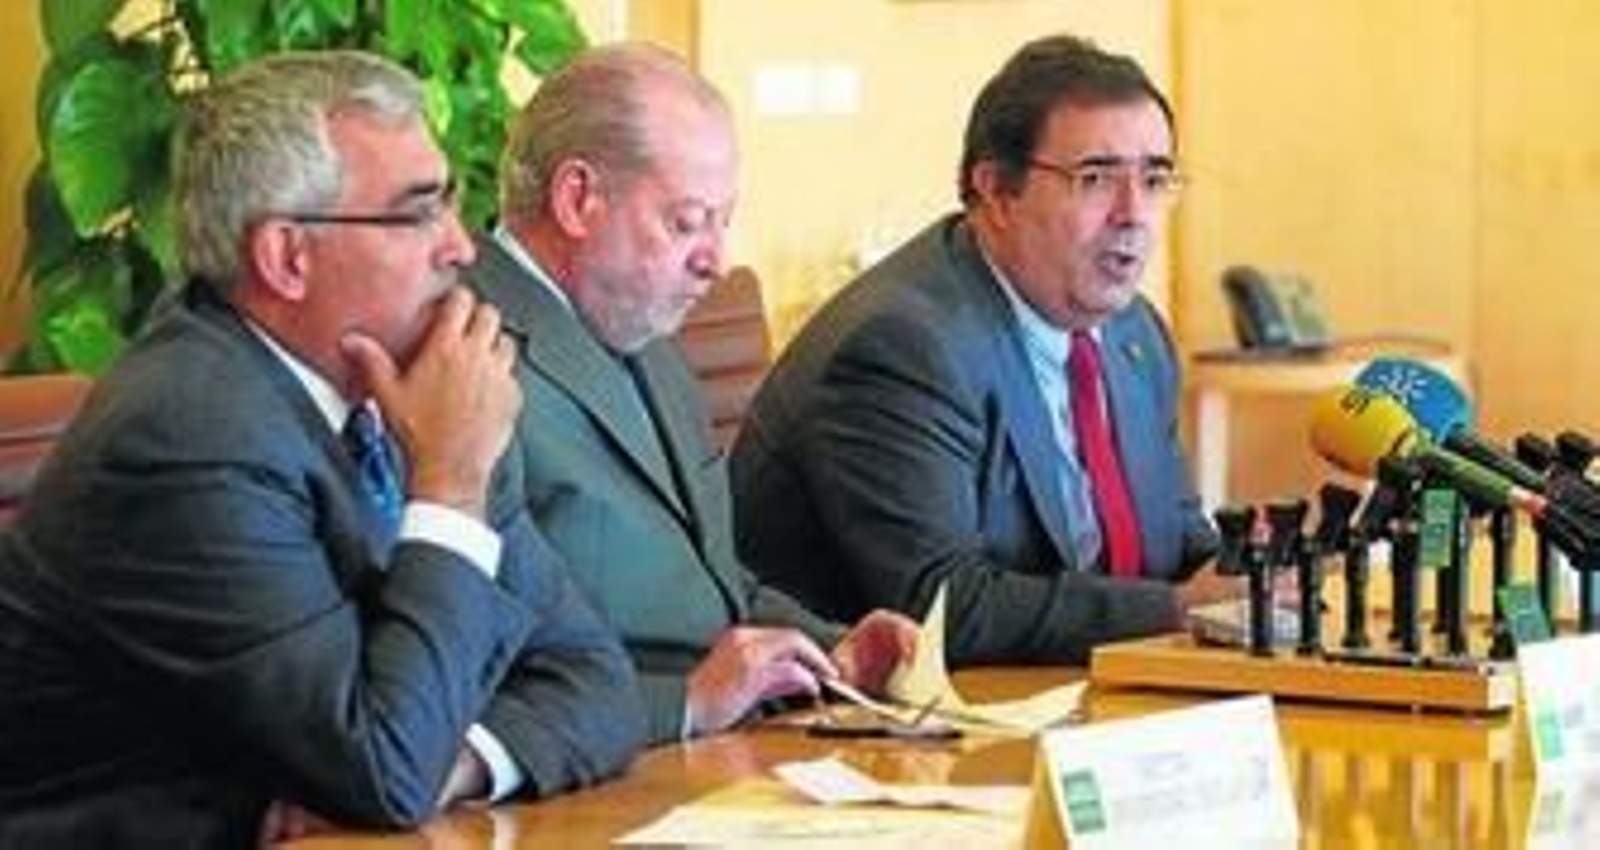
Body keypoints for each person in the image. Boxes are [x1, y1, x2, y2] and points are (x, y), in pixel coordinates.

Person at [0, 51, 644, 846]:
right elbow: (384, 770)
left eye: (451, 202)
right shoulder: (189, 432)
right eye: (416, 214)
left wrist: (463, 763)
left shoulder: (412, 389)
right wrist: (448, 484)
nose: (461, 248)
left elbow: (597, 677)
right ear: (286, 257)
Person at [730, 34, 1242, 666]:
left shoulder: (1134, 334)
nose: (1134, 213)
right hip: (865, 728)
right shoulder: (903, 346)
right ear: (997, 192)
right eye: (1096, 178)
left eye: (1156, 177)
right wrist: (1175, 610)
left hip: (1076, 697)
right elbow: (946, 608)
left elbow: (1175, 545)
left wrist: (1264, 570)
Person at [470, 43, 916, 744]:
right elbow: (477, 657)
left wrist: (833, 650)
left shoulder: (651, 341)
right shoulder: (465, 352)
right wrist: (684, 702)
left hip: (729, 748)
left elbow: (712, 584)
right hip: (596, 771)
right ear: (578, 199)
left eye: (722, 220)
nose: (716, 260)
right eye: (686, 222)